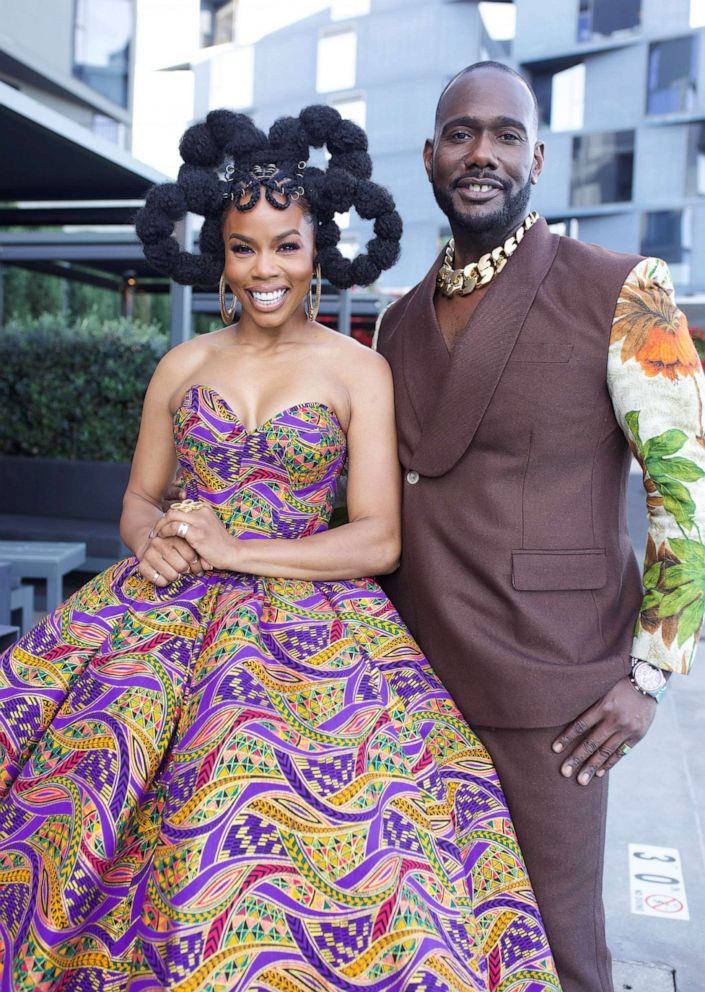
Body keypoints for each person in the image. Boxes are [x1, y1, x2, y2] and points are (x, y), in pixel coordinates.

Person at [0, 106, 560, 991]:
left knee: (346, 833)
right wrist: (151, 544)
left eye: (286, 247)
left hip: (317, 623)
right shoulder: (179, 366)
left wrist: (231, 549)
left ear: (316, 253)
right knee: (75, 796)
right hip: (159, 614)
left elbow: (378, 536)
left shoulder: (356, 368)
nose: (265, 270)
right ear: (220, 256)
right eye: (244, 247)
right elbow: (140, 500)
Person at [374, 61, 705, 992]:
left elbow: (687, 491)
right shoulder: (397, 322)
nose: (481, 153)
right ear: (431, 154)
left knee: (559, 952)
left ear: (538, 158)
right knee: (433, 944)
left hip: (552, 685)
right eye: (461, 133)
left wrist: (651, 676)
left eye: (505, 135)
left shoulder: (625, 288)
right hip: (407, 683)